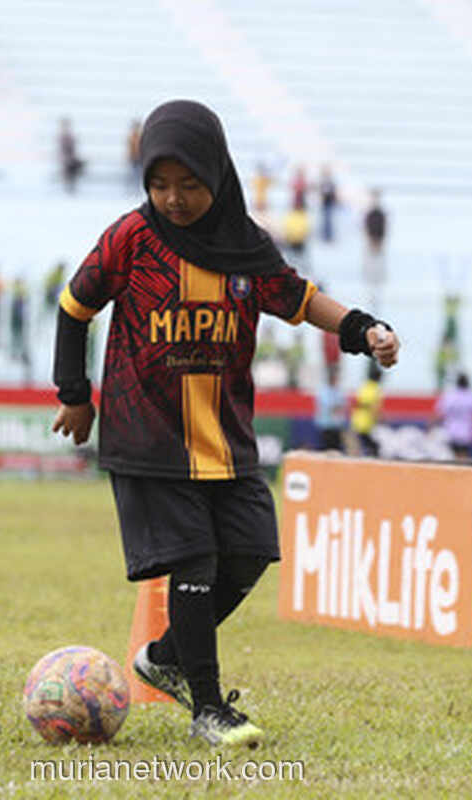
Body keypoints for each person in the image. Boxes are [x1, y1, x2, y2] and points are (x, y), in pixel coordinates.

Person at [50, 100, 399, 747]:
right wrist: (75, 394)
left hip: (226, 438)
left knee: (251, 552)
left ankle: (164, 657)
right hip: (148, 434)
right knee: (193, 559)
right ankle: (208, 708)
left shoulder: (246, 246)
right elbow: (75, 307)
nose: (173, 200)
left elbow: (299, 298)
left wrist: (363, 328)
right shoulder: (131, 238)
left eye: (189, 184)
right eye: (159, 184)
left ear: (219, 173)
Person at [434, 373, 472, 459]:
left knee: (454, 457)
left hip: (452, 432)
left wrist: (431, 425)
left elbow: (440, 413)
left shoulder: (450, 396)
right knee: (465, 457)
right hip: (467, 433)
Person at [352, 360, 384, 457]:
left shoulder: (364, 386)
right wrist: (378, 418)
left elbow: (357, 403)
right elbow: (374, 407)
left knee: (363, 443)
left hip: (357, 420)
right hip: (367, 422)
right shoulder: (376, 389)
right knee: (373, 446)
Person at [314, 363, 346, 452]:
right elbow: (330, 406)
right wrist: (337, 407)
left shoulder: (338, 391)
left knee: (336, 450)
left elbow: (342, 406)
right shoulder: (324, 391)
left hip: (336, 426)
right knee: (326, 450)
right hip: (326, 426)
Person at [364, 188, 387, 289]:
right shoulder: (369, 213)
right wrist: (369, 238)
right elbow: (366, 226)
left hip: (379, 238)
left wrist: (381, 239)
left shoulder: (381, 213)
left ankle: (379, 276)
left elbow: (384, 227)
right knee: (370, 259)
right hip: (371, 238)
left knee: (379, 259)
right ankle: (369, 276)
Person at [59, 117, 84, 193]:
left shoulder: (70, 137)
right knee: (69, 166)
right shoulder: (62, 137)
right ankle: (68, 184)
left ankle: (71, 184)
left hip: (71, 159)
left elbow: (73, 149)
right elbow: (62, 150)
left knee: (74, 166)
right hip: (66, 160)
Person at [10, 276, 29, 364]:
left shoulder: (21, 292)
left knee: (20, 336)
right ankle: (16, 353)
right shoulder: (17, 292)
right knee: (16, 336)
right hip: (17, 319)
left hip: (20, 319)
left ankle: (20, 353)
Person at [318, 165, 337, 243]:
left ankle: (329, 236)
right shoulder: (322, 182)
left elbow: (333, 193)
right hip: (324, 203)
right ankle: (324, 236)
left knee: (329, 220)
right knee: (324, 220)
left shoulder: (331, 182)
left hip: (329, 203)